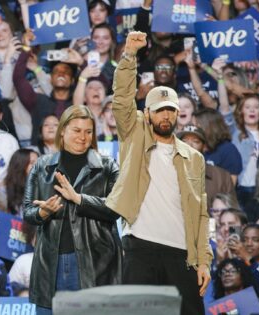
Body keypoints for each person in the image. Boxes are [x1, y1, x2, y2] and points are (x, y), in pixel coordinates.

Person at [105, 31, 212, 315]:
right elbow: (122, 98)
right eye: (159, 110)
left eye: (171, 110)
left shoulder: (194, 158)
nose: (166, 116)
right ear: (147, 113)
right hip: (140, 247)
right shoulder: (133, 134)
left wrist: (203, 261)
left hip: (181, 253)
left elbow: (201, 214)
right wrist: (129, 56)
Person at [23, 105, 122, 314]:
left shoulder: (108, 167)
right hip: (51, 264)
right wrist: (43, 212)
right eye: (77, 130)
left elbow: (117, 208)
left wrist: (78, 199)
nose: (83, 137)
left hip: (95, 265)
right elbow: (27, 212)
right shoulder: (42, 166)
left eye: (88, 131)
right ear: (63, 130)